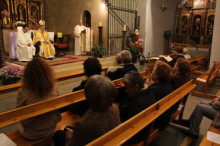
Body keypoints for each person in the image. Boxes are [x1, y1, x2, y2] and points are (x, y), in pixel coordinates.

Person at [54, 75, 121, 146]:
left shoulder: (83, 123)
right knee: (68, 128)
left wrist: (70, 136)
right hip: (108, 140)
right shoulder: (114, 107)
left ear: (87, 95)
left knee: (59, 134)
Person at [17, 57, 61, 140]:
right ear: (47, 72)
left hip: (30, 133)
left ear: (27, 74)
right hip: (51, 127)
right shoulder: (54, 87)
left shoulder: (22, 91)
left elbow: (18, 114)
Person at [119, 71, 156, 143]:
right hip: (144, 129)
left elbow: (126, 124)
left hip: (135, 135)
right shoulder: (149, 93)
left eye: (127, 88)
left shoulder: (137, 104)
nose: (126, 91)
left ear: (136, 86)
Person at [148, 60, 173, 130]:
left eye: (153, 70)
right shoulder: (168, 86)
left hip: (155, 122)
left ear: (157, 75)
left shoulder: (153, 90)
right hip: (163, 119)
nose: (151, 71)